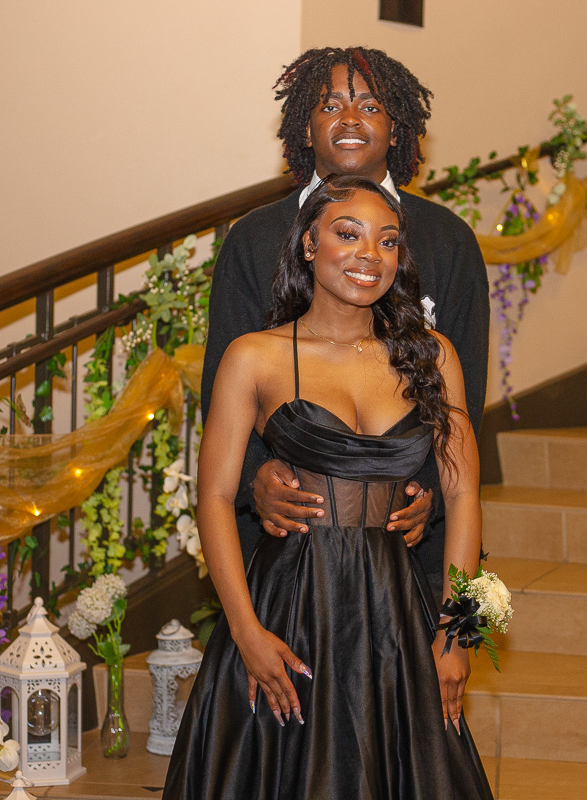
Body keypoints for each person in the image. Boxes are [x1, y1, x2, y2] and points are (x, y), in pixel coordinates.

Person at [163, 175, 493, 799]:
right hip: (288, 605)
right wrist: (245, 632)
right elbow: (214, 498)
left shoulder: (432, 356)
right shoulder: (253, 356)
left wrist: (456, 635)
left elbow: (462, 496)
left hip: (395, 611)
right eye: (349, 234)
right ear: (309, 243)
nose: (371, 254)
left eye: (388, 241)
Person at [201, 47, 490, 604]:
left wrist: (426, 491)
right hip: (291, 548)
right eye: (330, 105)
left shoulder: (448, 240)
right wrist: (256, 478)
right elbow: (223, 387)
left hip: (409, 548)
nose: (351, 119)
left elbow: (464, 397)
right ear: (306, 129)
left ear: (397, 129)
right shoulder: (254, 240)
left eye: (371, 106)